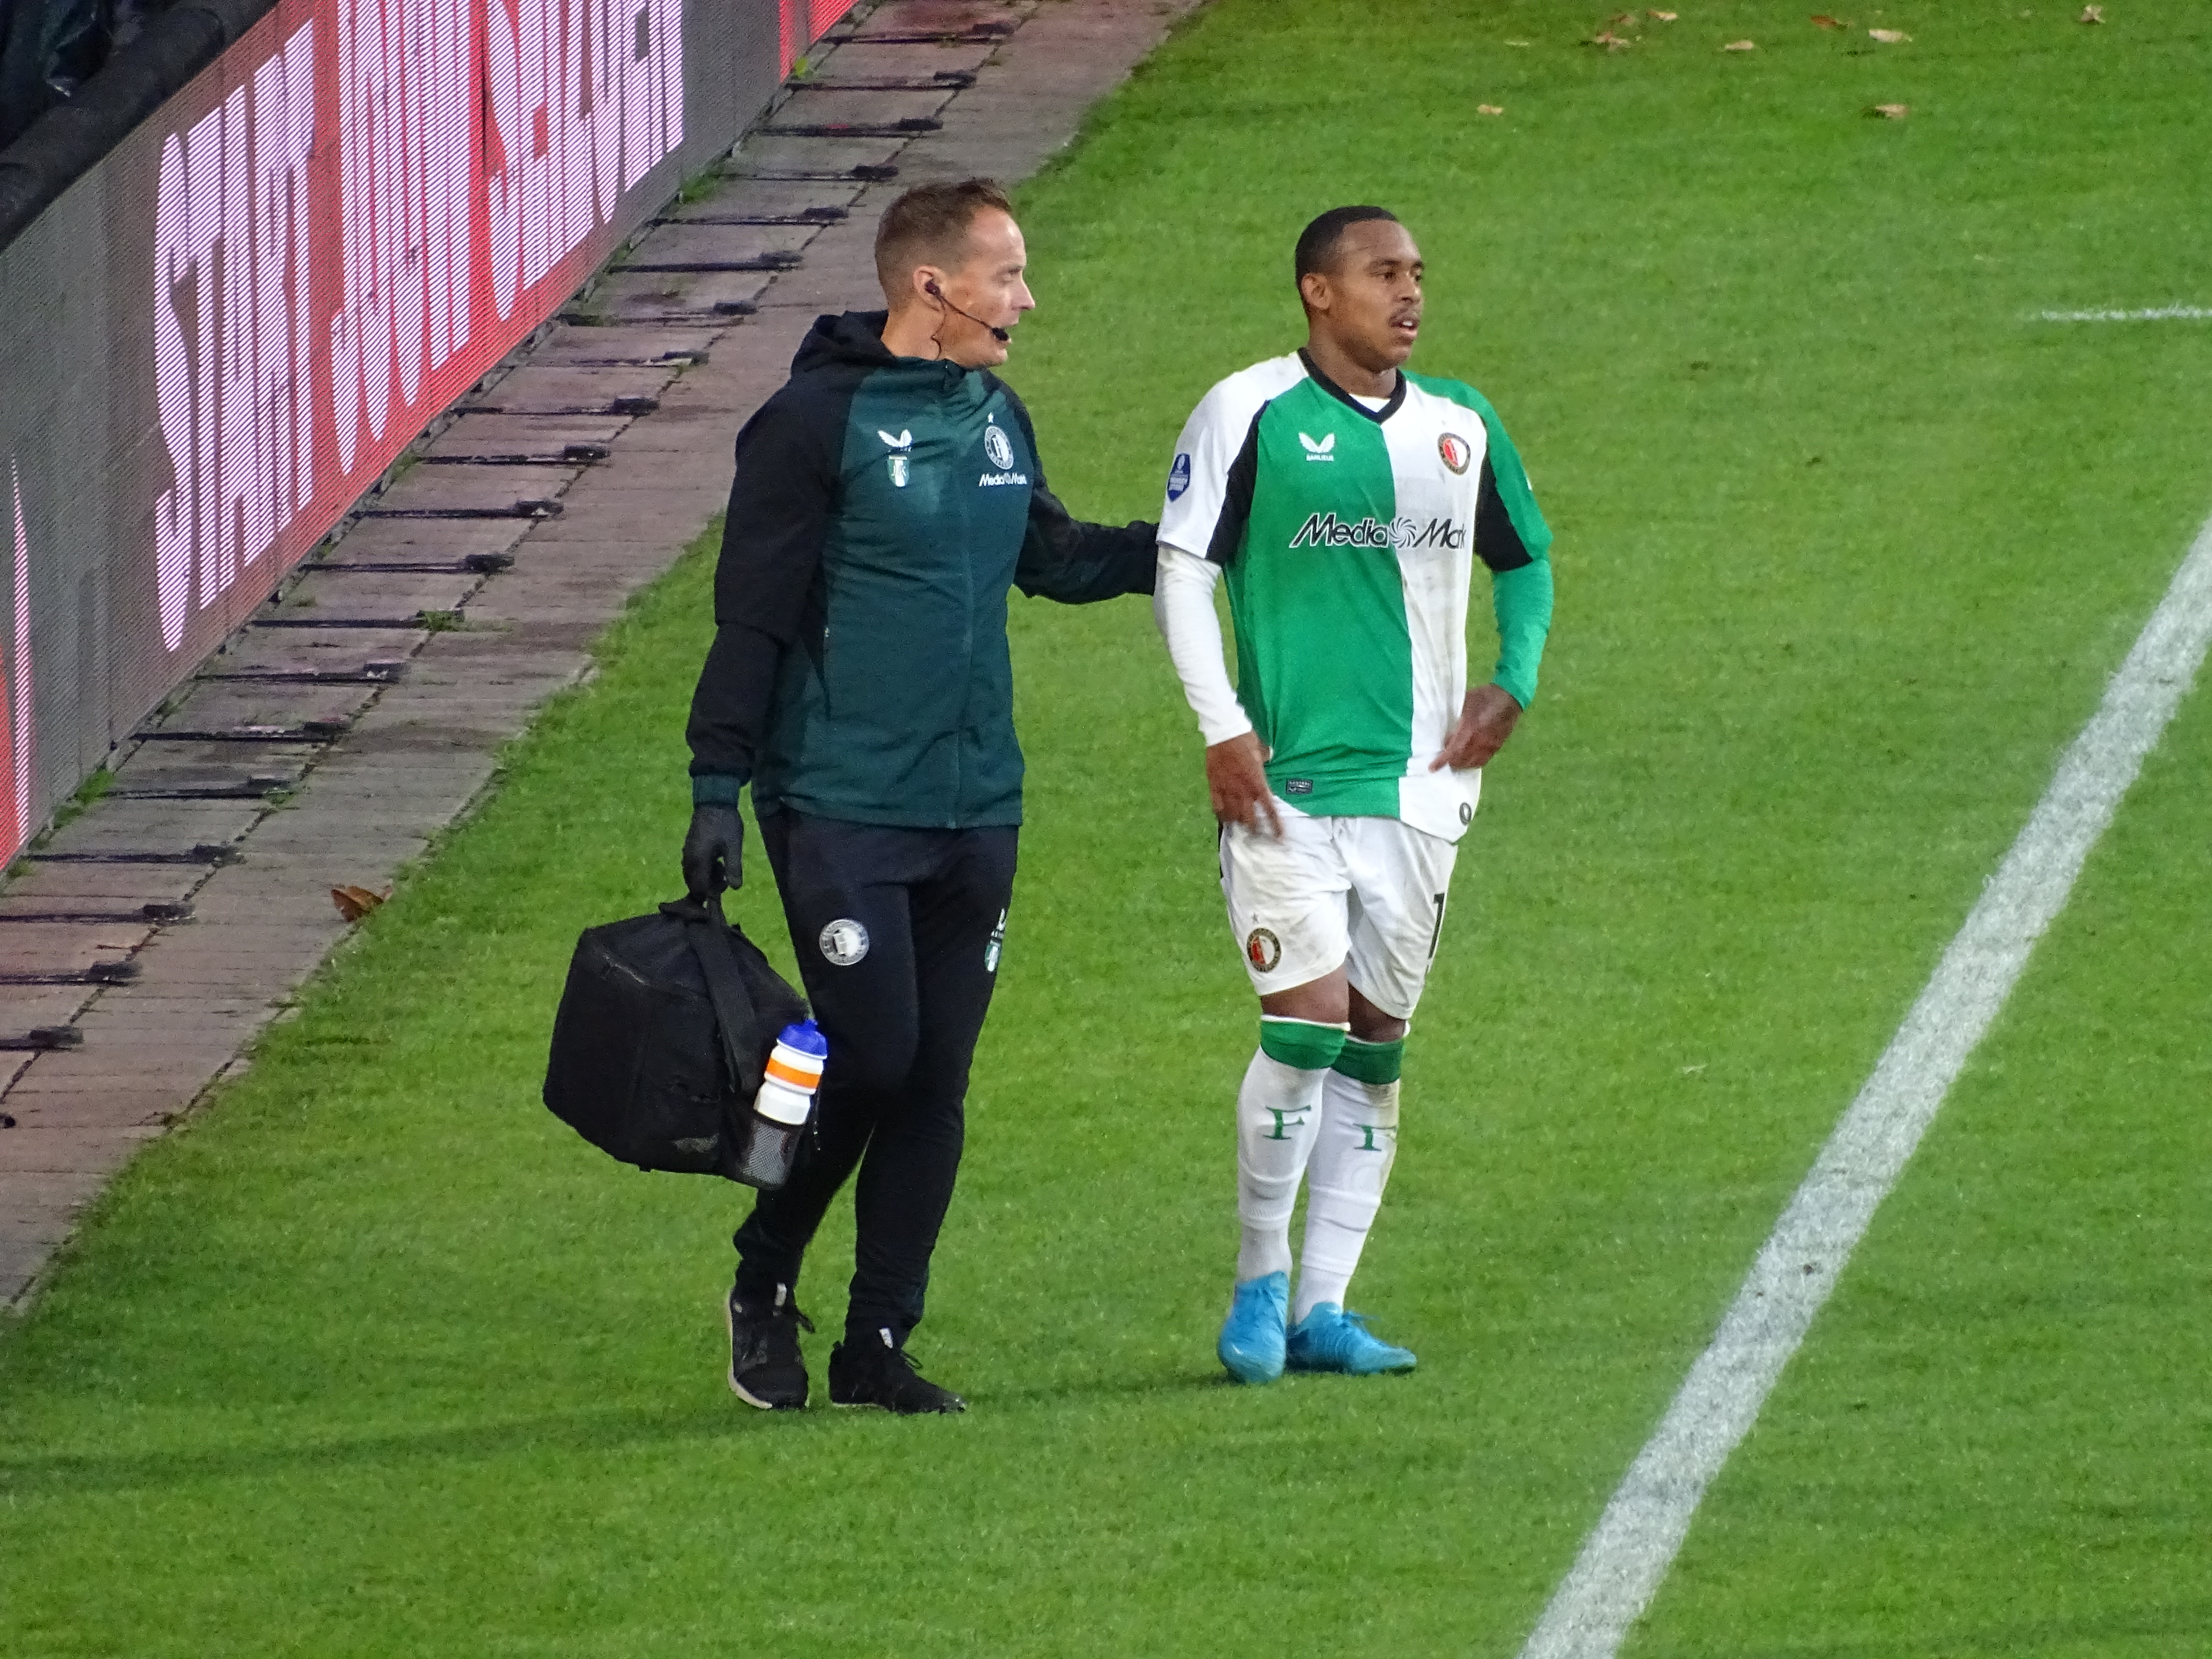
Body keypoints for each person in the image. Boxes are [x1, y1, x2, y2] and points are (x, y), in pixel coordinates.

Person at [682, 179, 1155, 1415]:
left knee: (934, 1079)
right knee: (870, 1053)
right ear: (931, 287)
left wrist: (1190, 545)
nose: (1027, 298)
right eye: (1008, 275)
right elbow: (754, 616)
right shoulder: (807, 425)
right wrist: (716, 787)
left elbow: (1052, 561)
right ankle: (765, 1272)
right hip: (838, 800)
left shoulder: (995, 415)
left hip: (976, 804)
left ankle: (876, 1342)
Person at [1151, 206, 1555, 1384]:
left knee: (1377, 1045)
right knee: (1307, 1024)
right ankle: (1259, 1285)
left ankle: (1327, 1308)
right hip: (1285, 786)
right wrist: (1223, 729)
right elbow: (1182, 571)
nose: (1411, 293)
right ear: (1319, 293)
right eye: (1385, 274)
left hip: (1424, 796)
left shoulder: (1461, 425)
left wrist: (1513, 682)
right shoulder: (1250, 413)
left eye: (1419, 274)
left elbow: (1525, 559)